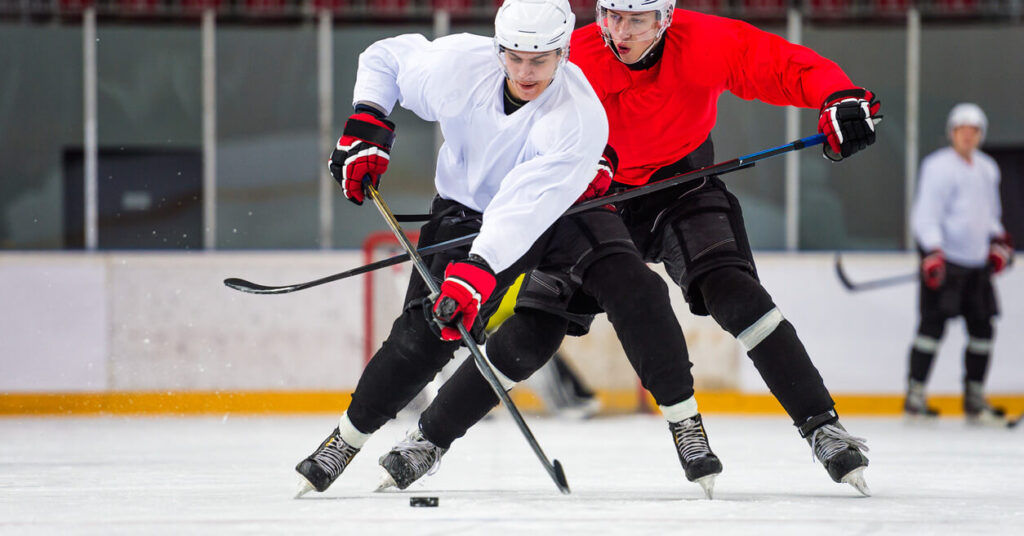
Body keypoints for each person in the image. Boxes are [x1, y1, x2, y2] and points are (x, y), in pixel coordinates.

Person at [380, 0, 880, 497]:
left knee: (736, 293)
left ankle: (822, 426)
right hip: (591, 201)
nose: (620, 32)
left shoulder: (705, 41)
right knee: (533, 330)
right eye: (611, 16)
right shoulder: (568, 56)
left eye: (637, 20)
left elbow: (784, 65)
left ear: (665, 17)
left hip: (682, 184)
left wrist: (837, 97)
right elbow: (515, 135)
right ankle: (428, 439)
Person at [295, 0, 719, 499]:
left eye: (539, 60)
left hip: (559, 210)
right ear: (498, 47)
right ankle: (346, 440)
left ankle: (684, 421)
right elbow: (385, 57)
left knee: (636, 289)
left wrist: (475, 272)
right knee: (427, 332)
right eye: (514, 57)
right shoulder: (458, 65)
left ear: (564, 53)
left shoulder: (578, 116)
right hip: (466, 207)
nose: (525, 72)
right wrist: (367, 121)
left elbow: (522, 212)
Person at [904, 103, 1013, 425]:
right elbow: (926, 214)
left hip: (976, 265)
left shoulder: (988, 168)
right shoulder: (938, 167)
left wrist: (998, 242)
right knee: (931, 329)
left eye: (974, 130)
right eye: (962, 129)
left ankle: (975, 398)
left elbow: (990, 214)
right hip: (945, 261)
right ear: (952, 133)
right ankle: (915, 396)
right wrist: (933, 251)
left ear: (980, 135)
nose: (967, 135)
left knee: (982, 329)